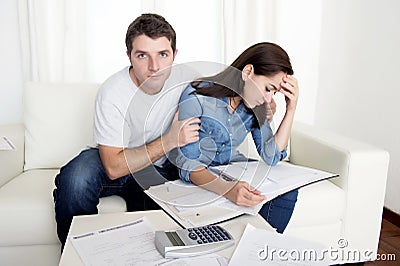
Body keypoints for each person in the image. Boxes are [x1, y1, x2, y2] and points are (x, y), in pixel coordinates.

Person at [53, 13, 201, 247]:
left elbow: (228, 95)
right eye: (142, 56)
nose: (154, 67)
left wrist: (264, 103)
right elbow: (113, 167)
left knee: (160, 228)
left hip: (154, 168)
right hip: (113, 156)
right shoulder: (112, 92)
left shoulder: (188, 77)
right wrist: (168, 141)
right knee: (75, 181)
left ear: (174, 54)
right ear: (129, 56)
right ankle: (79, 254)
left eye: (163, 54)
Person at [176, 42, 299, 233]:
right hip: (202, 175)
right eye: (268, 88)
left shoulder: (256, 105)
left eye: (274, 92)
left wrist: (290, 109)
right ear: (248, 71)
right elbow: (187, 164)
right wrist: (228, 189)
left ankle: (257, 251)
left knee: (287, 193)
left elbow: (271, 155)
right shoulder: (198, 95)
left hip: (231, 168)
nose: (269, 98)